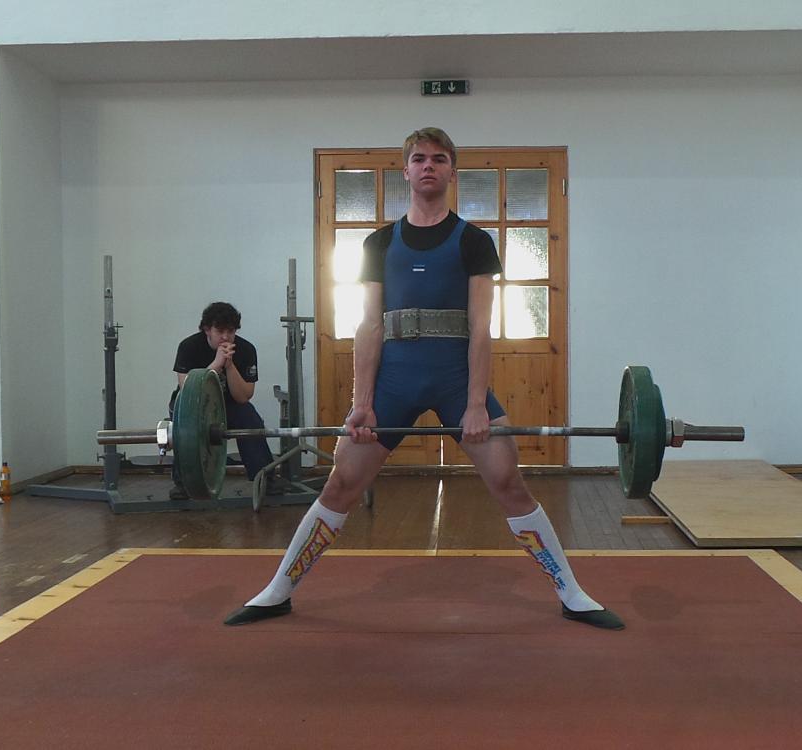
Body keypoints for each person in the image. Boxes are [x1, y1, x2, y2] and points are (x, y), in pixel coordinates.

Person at [224, 128, 623, 630]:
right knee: (342, 480)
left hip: (456, 381)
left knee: (507, 479)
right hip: (394, 383)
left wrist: (475, 404)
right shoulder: (379, 243)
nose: (428, 165)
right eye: (418, 158)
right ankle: (277, 591)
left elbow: (481, 327)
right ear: (406, 170)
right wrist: (361, 403)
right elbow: (369, 325)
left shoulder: (475, 242)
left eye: (438, 158)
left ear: (452, 170)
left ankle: (572, 593)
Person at [170, 302, 275, 500]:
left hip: (230, 404)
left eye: (231, 331)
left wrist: (229, 366)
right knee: (185, 426)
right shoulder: (189, 346)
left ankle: (264, 478)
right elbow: (188, 388)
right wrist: (216, 364)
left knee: (250, 418)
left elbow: (244, 396)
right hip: (192, 405)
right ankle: (184, 483)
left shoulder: (246, 349)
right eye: (220, 331)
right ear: (207, 330)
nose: (225, 337)